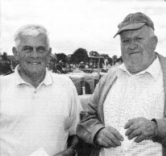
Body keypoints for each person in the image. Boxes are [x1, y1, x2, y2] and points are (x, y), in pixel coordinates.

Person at [77, 12, 166, 156]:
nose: (131, 46)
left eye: (138, 38)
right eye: (125, 41)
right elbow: (87, 117)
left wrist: (156, 127)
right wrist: (97, 132)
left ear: (154, 42)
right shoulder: (109, 78)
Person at [0, 24, 82, 156]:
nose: (34, 55)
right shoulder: (1, 87)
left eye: (40, 49)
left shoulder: (66, 86)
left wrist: (71, 151)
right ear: (15, 53)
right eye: (27, 49)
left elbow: (79, 133)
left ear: (49, 54)